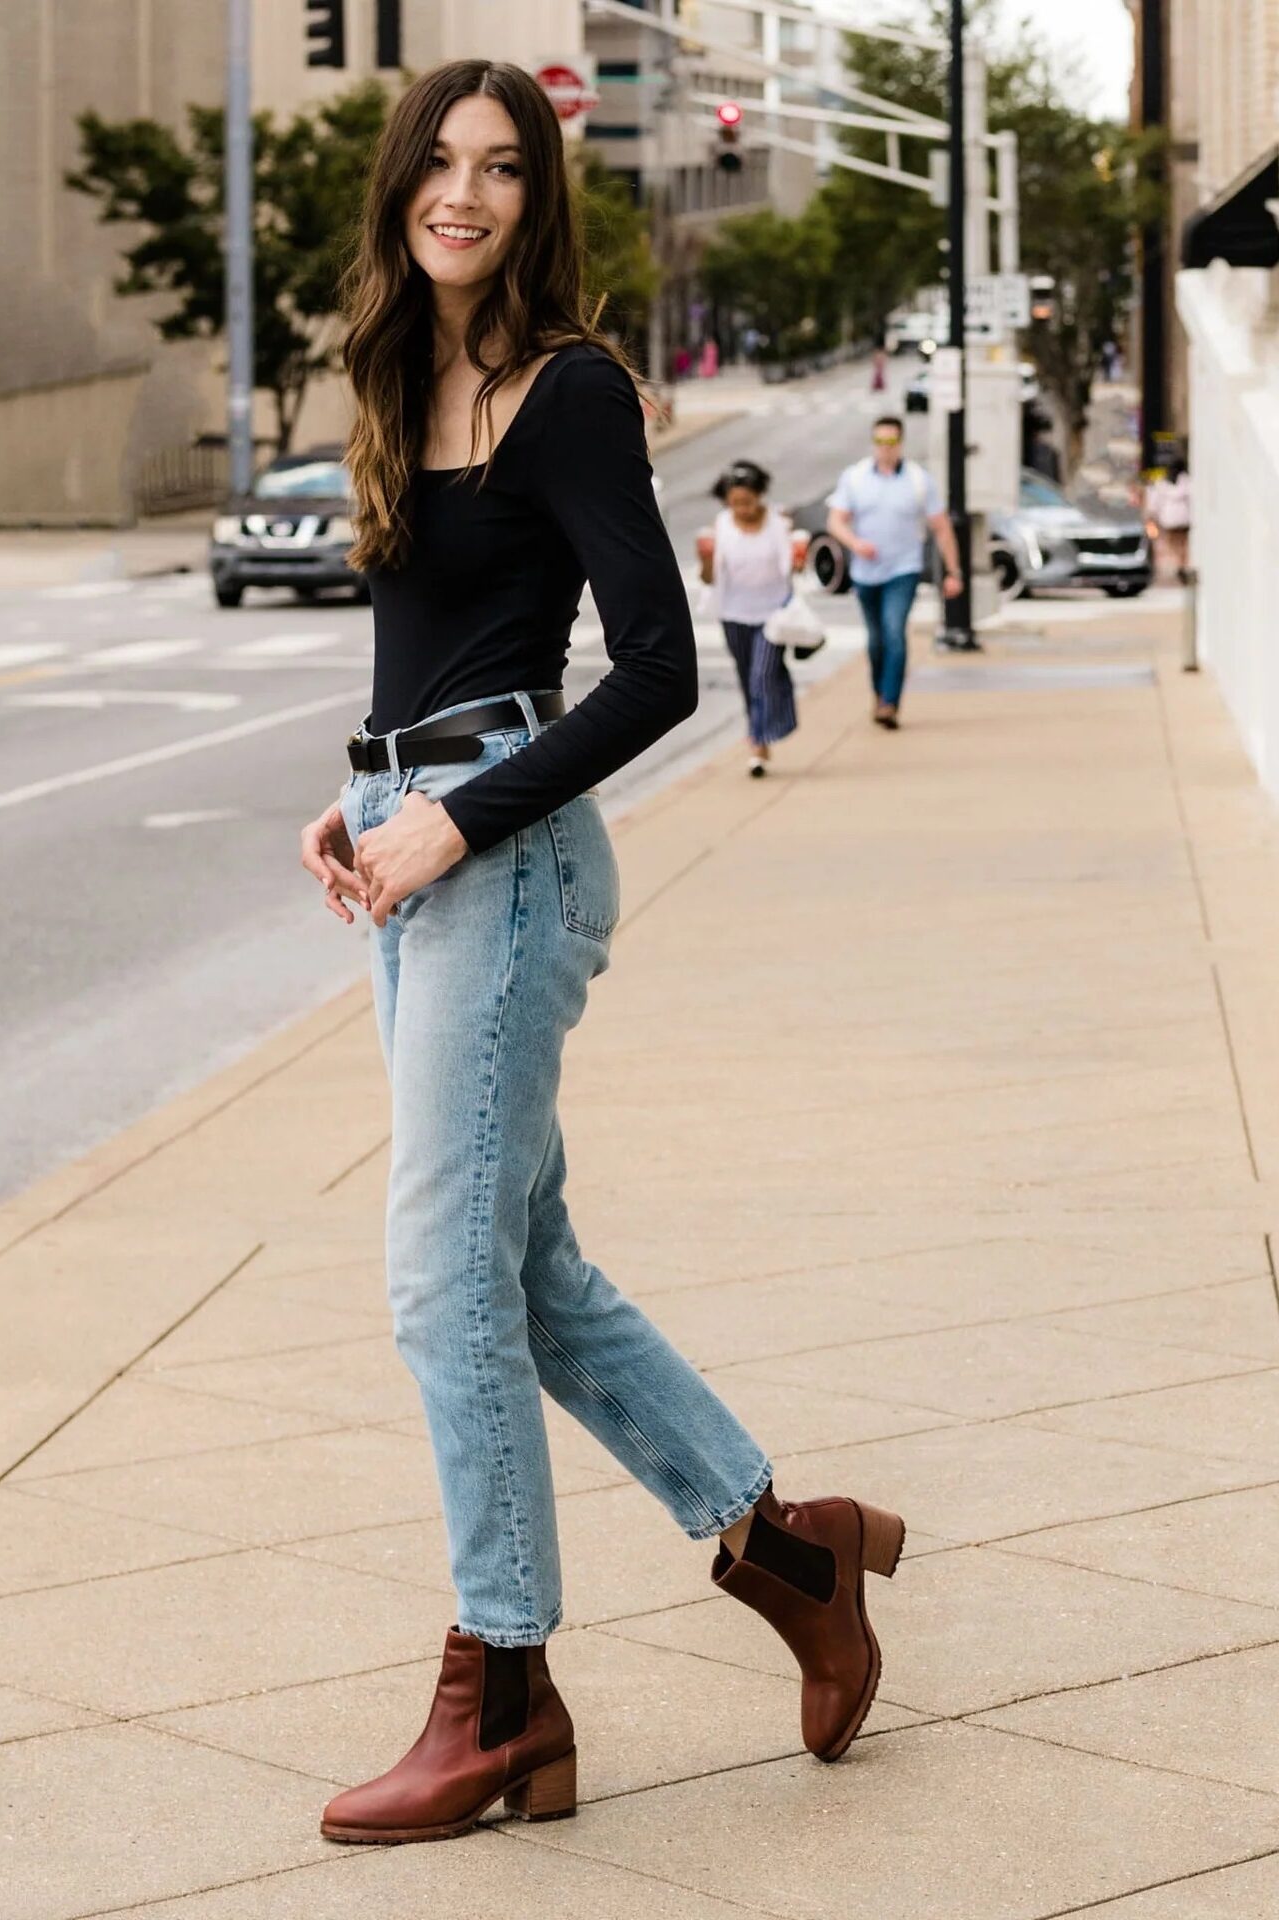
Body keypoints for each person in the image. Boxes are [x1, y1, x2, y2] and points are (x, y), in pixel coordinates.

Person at [298, 59, 906, 1847]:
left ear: (537, 197)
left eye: (501, 168)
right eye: (439, 163)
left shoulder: (566, 392)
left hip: (506, 864)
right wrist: (365, 791)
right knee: (530, 1271)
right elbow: (444, 643)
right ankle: (792, 1554)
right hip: (420, 842)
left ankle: (502, 1693)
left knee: (440, 1283)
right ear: (401, 185)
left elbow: (655, 667)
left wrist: (455, 817)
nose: (463, 194)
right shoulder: (396, 375)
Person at [827, 415, 963, 729]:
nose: (885, 447)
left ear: (900, 443)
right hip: (866, 572)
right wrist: (855, 543)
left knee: (894, 633)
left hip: (903, 569)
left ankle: (890, 702)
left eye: (891, 441)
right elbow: (835, 521)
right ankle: (878, 693)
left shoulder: (918, 480)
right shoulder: (855, 477)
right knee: (875, 641)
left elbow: (942, 527)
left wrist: (953, 571)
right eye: (880, 441)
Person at [699, 459, 799, 775]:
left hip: (773, 614)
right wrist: (705, 558)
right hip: (733, 614)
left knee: (762, 675)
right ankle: (758, 730)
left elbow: (791, 569)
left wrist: (799, 556)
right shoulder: (721, 525)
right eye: (735, 503)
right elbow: (709, 578)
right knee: (748, 678)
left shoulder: (778, 524)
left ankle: (757, 741)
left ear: (759, 496)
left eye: (747, 501)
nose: (741, 509)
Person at [1145, 459, 1191, 582]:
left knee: (1175, 544)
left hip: (1171, 519)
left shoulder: (1161, 485)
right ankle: (1182, 563)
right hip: (1182, 518)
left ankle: (1180, 564)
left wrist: (1152, 517)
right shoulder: (1186, 482)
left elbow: (1153, 505)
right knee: (1182, 544)